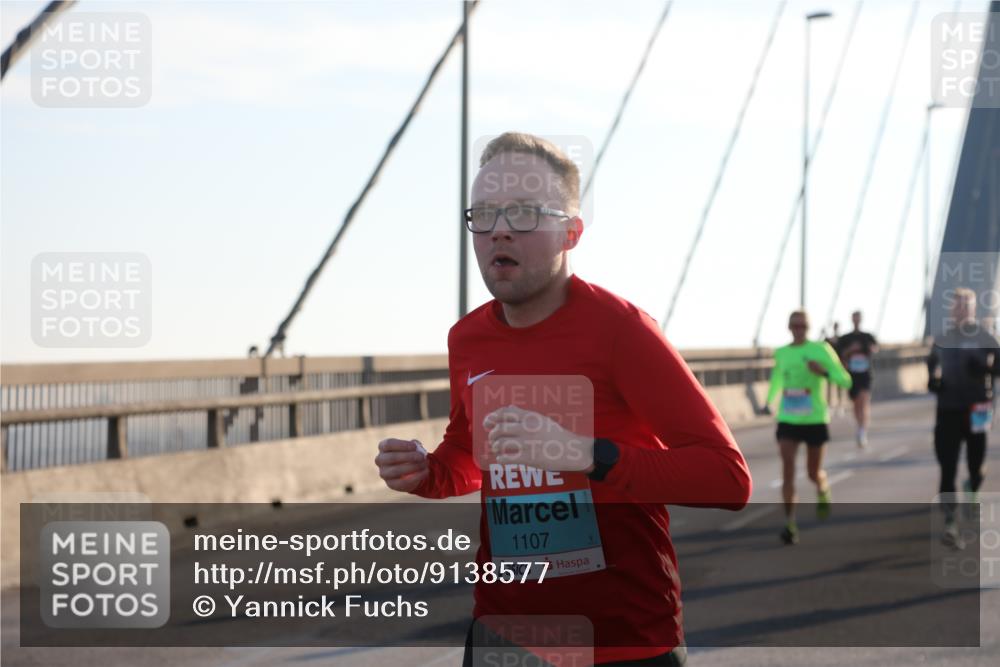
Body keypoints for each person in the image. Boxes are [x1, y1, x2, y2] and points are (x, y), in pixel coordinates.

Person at [373, 132, 751, 665]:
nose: (499, 229)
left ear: (570, 233)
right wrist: (426, 472)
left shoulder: (622, 330)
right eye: (483, 213)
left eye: (524, 213)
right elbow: (470, 454)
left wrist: (584, 454)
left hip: (622, 642)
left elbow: (727, 478)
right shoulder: (467, 338)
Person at [762, 310, 851, 545]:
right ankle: (790, 524)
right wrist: (769, 401)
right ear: (789, 327)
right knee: (788, 469)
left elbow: (845, 380)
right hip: (788, 419)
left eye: (802, 326)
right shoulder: (782, 353)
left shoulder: (820, 350)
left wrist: (822, 372)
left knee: (813, 472)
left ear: (808, 328)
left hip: (815, 420)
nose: (798, 329)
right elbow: (777, 380)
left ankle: (823, 487)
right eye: (795, 326)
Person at [927, 287, 1000, 549]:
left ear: (973, 309)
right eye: (956, 306)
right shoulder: (942, 338)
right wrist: (933, 382)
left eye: (965, 306)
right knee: (947, 466)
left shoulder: (985, 336)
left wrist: (986, 368)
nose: (960, 310)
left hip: (977, 409)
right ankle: (950, 522)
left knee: (975, 466)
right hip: (947, 410)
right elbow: (931, 366)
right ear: (950, 310)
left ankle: (973, 485)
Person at [836, 311, 879, 448]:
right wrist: (850, 351)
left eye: (858, 318)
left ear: (861, 320)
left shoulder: (867, 336)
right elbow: (839, 355)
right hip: (852, 374)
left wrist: (866, 348)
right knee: (856, 404)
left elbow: (874, 348)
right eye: (854, 318)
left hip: (865, 374)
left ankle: (862, 431)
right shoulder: (845, 338)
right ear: (851, 320)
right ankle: (859, 426)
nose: (856, 321)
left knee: (863, 401)